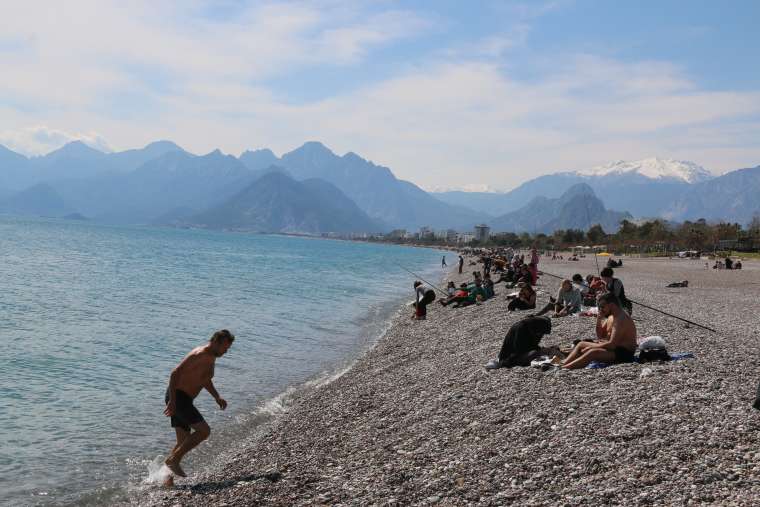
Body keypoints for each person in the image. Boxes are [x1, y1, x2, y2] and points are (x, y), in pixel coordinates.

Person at [164, 329, 235, 480]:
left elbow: (204, 379)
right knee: (204, 431)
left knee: (182, 442)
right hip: (178, 397)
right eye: (225, 348)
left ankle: (166, 478)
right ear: (216, 342)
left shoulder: (211, 356)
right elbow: (175, 373)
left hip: (183, 399)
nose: (226, 352)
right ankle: (173, 461)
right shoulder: (200, 354)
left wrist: (217, 396)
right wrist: (172, 401)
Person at [562, 293, 637, 369]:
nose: (600, 310)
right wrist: (599, 319)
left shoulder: (621, 319)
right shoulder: (612, 317)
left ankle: (565, 368)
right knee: (581, 344)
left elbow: (612, 345)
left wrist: (593, 347)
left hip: (624, 353)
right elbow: (600, 336)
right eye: (599, 307)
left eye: (602, 307)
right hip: (614, 349)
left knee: (593, 352)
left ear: (611, 305)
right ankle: (562, 364)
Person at [485, 316, 552, 369]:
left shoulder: (533, 328)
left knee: (543, 352)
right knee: (535, 354)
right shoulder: (521, 328)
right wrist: (537, 351)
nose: (541, 335)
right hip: (511, 357)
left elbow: (533, 344)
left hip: (523, 352)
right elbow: (519, 349)